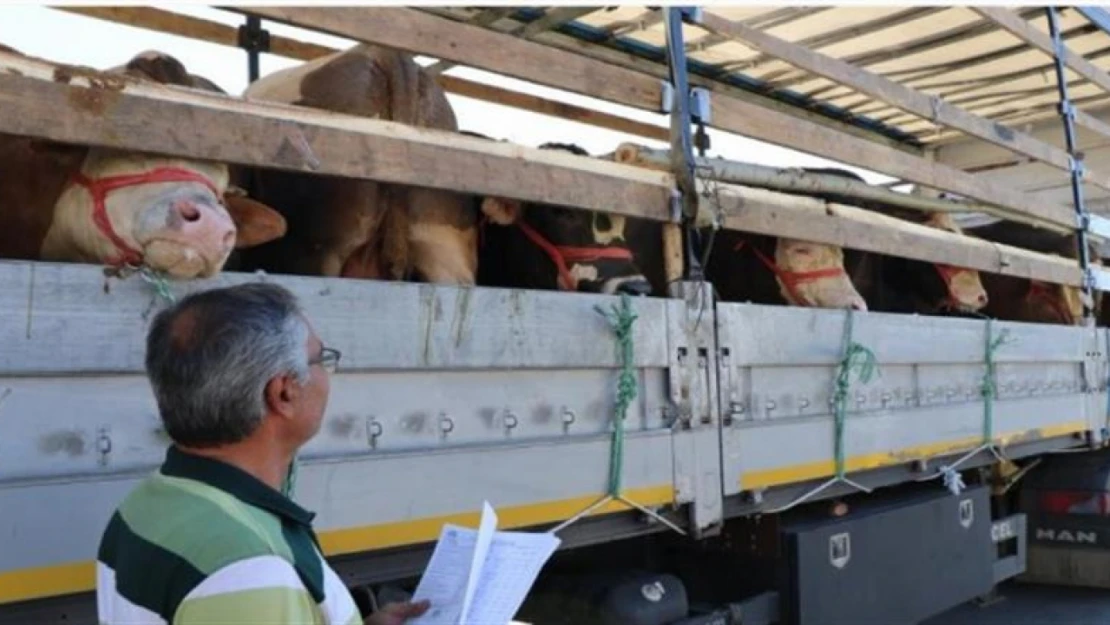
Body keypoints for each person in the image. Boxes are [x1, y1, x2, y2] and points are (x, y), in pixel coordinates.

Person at [95, 282, 430, 625]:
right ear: (283, 392)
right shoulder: (251, 568)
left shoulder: (150, 502)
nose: (326, 375)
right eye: (321, 359)